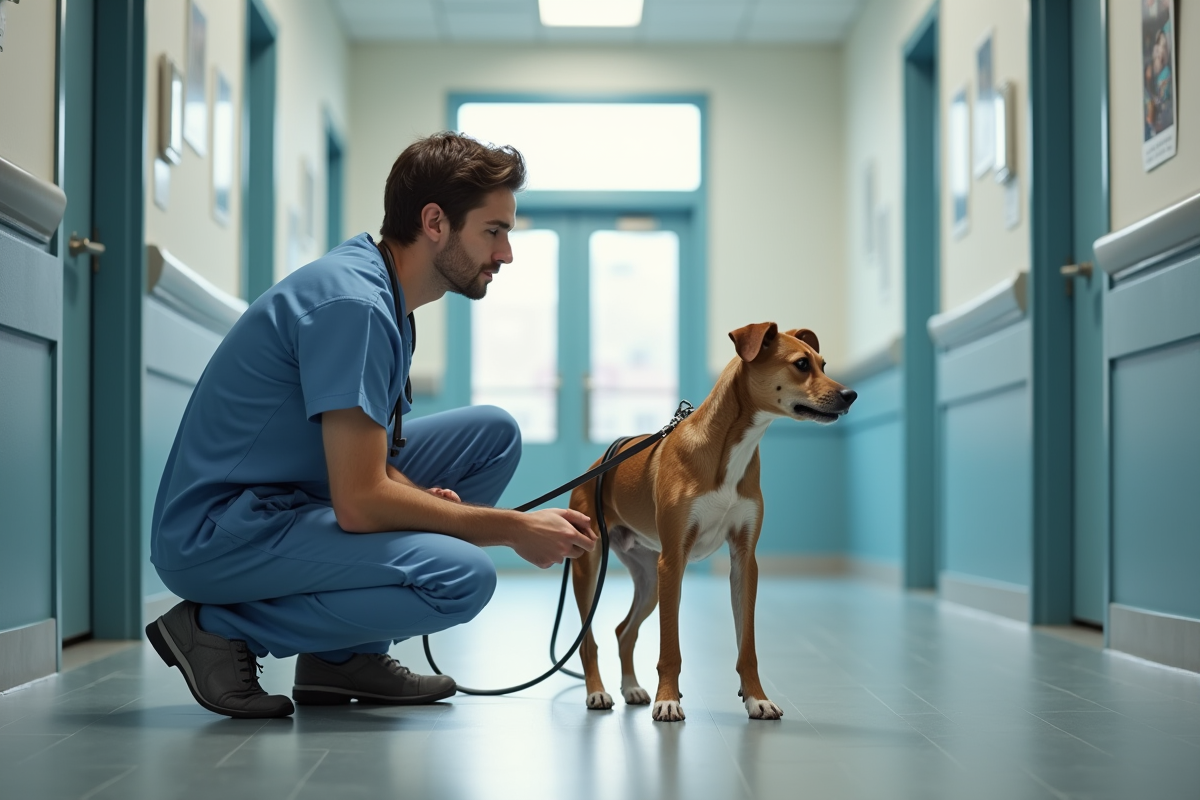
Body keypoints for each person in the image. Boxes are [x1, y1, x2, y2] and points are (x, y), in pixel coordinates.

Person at [146, 132, 597, 719]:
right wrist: (513, 529)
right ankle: (217, 627)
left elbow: (370, 461)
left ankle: (342, 659)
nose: (505, 253)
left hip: (291, 497)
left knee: (492, 435)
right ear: (435, 221)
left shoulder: (384, 296)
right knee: (462, 578)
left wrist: (415, 500)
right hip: (217, 533)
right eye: (493, 231)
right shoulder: (354, 306)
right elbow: (360, 501)